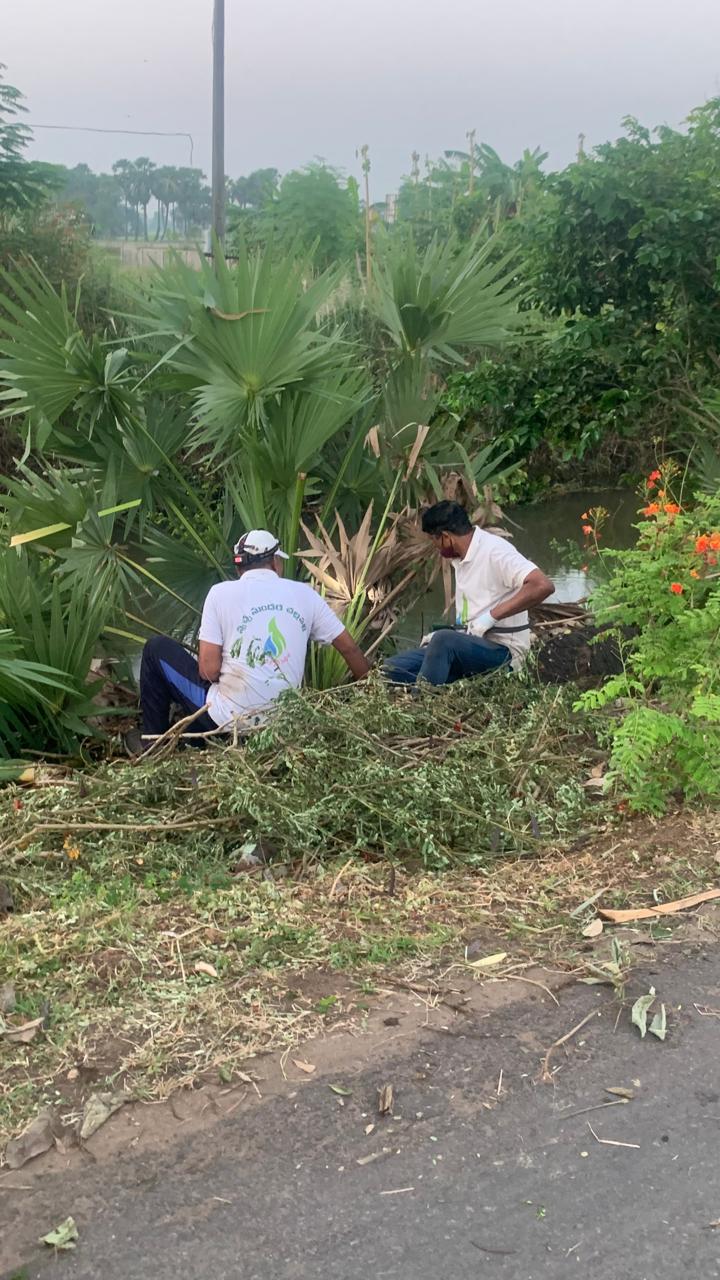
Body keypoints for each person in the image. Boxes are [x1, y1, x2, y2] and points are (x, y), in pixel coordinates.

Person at [126, 529, 370, 755]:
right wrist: (372, 694)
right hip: (284, 723)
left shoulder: (219, 593)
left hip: (227, 722)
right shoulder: (305, 593)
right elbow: (349, 648)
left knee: (156, 649)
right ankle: (192, 739)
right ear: (275, 562)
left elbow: (208, 672)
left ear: (238, 568)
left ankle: (152, 743)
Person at [384, 501, 554, 687]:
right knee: (391, 669)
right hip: (470, 647)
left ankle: (422, 698)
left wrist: (490, 617)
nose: (436, 548)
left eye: (434, 540)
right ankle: (434, 683)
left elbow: (542, 585)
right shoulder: (461, 559)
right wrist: (446, 635)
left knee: (444, 641)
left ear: (446, 537)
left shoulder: (494, 551)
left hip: (503, 652)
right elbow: (470, 618)